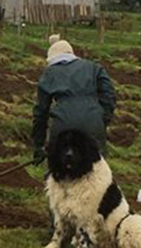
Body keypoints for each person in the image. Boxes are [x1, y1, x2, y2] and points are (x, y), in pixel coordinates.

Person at [32, 36, 115, 164]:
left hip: (62, 124)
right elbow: (109, 95)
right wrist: (102, 118)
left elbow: (41, 112)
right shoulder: (94, 68)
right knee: (96, 168)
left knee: (59, 170)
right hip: (92, 121)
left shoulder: (48, 74)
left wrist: (38, 146)